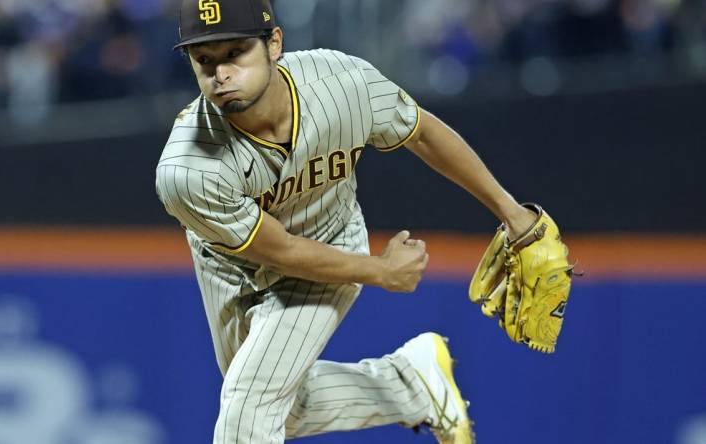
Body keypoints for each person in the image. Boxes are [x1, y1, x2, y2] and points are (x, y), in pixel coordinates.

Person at [155, 0, 537, 442]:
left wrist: (514, 215)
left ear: (274, 44)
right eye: (205, 60)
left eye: (236, 52)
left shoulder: (340, 84)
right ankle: (410, 385)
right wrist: (382, 271)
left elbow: (423, 133)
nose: (220, 74)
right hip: (229, 267)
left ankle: (411, 385)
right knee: (283, 410)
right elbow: (279, 250)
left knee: (248, 406)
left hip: (330, 242)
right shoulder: (188, 169)